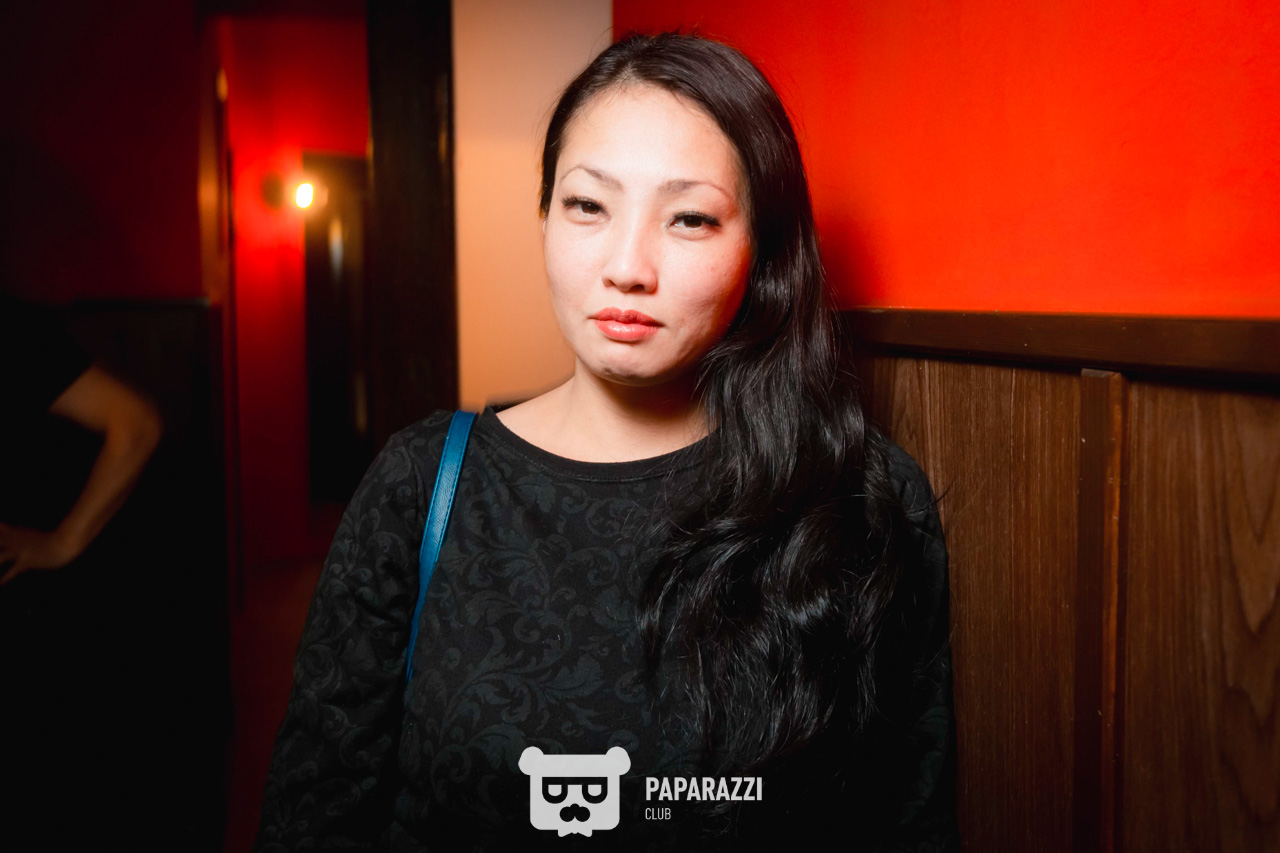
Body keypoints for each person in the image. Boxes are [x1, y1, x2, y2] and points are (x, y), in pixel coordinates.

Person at [254, 32, 958, 852]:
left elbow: (910, 823)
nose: (627, 267)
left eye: (690, 218)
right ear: (544, 217)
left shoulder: (860, 497)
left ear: (760, 252)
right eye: (588, 205)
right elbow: (311, 819)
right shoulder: (421, 486)